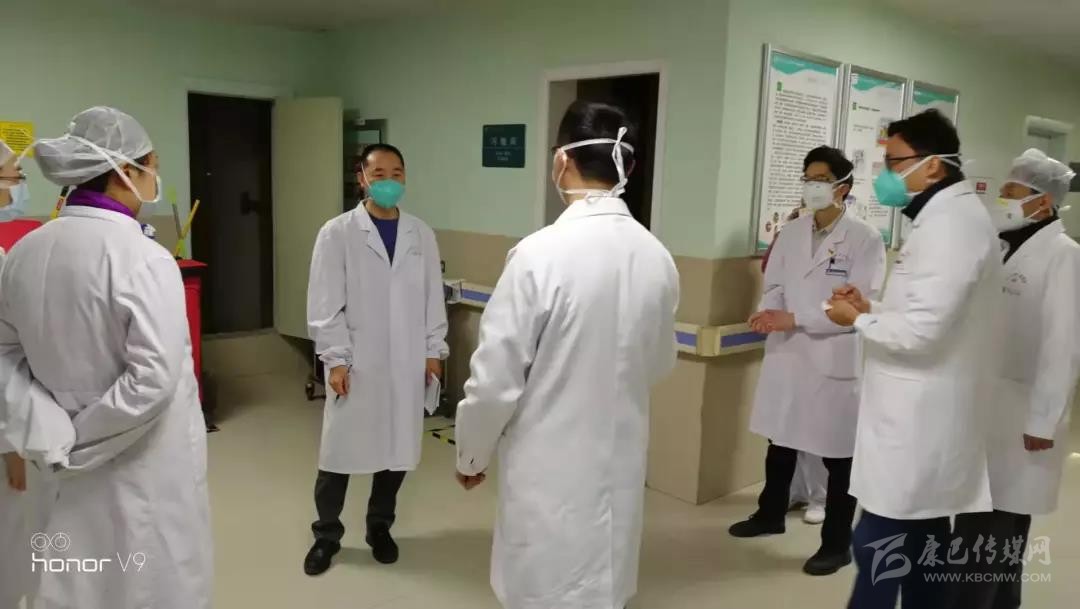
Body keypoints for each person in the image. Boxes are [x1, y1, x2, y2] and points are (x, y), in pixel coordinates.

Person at [454, 101, 679, 609]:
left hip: (548, 466)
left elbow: (494, 380)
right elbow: (660, 362)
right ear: (628, 168)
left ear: (561, 160)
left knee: (545, 586)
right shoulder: (657, 257)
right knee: (604, 584)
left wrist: (472, 453)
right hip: (620, 462)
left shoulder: (538, 255)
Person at [0, 106, 211, 609]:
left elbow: (5, 354)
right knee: (145, 580)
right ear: (124, 171)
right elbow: (153, 379)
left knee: (74, 582)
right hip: (140, 464)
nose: (155, 176)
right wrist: (80, 440)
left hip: (54, 461)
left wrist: (49, 430)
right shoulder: (144, 257)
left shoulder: (26, 250)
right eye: (151, 166)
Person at [825, 109, 1003, 609]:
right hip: (920, 417)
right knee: (923, 547)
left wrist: (856, 320)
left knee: (879, 545)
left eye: (893, 162)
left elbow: (922, 331)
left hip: (919, 422)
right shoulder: (944, 219)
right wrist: (871, 308)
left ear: (933, 166)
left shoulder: (952, 228)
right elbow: (927, 312)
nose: (884, 175)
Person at [731, 146, 886, 576]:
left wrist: (795, 318)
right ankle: (770, 514)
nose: (812, 186)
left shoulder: (865, 238)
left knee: (838, 457)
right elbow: (775, 283)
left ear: (843, 187)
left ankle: (836, 544)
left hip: (831, 357)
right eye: (808, 178)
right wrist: (769, 312)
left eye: (821, 179)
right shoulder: (793, 230)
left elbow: (855, 306)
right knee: (780, 442)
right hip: (787, 353)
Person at [304, 143, 448, 574]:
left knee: (396, 450)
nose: (389, 181)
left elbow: (432, 299)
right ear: (362, 178)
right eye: (379, 173)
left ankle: (379, 527)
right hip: (357, 362)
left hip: (406, 362)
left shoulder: (420, 234)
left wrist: (433, 351)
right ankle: (326, 535)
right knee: (338, 455)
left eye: (397, 173)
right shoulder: (337, 233)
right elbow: (325, 304)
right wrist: (336, 359)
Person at [946, 149, 1079, 609]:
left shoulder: (1064, 255)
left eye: (1012, 190)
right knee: (994, 525)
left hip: (1023, 414)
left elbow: (1063, 346)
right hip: (988, 407)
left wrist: (1044, 421)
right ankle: (1003, 601)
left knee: (989, 531)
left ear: (1043, 202)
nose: (1001, 197)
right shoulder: (1003, 245)